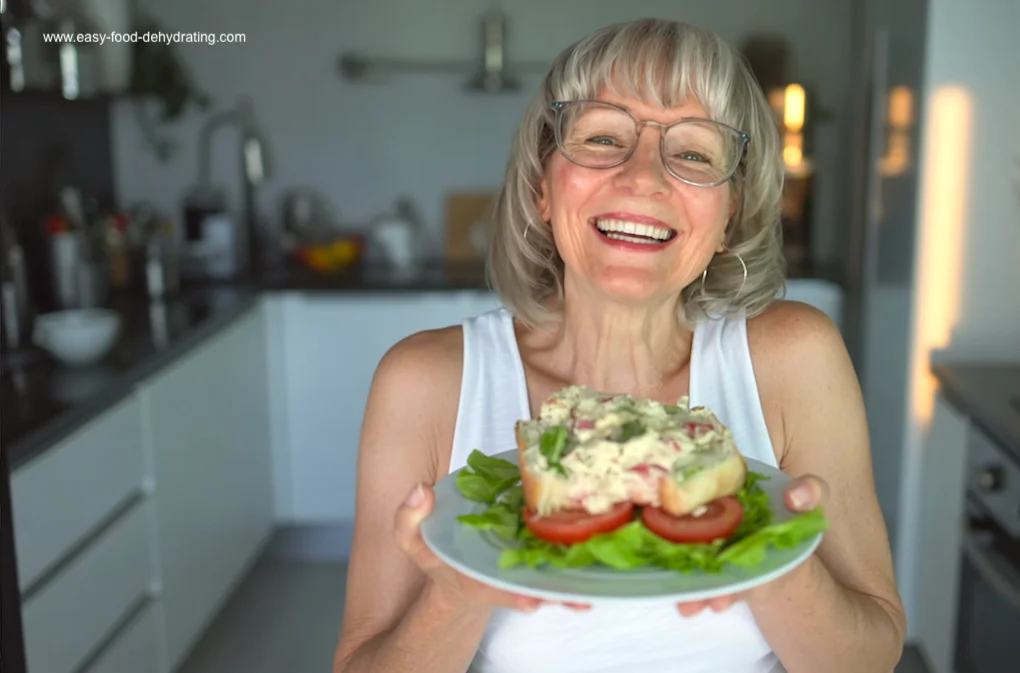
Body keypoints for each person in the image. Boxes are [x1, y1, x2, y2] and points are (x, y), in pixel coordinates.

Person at [332, 17, 904, 673]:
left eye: (692, 153)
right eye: (603, 138)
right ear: (542, 187)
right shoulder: (425, 382)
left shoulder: (795, 357)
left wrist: (776, 566)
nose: (643, 178)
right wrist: (458, 592)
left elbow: (872, 654)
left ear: (729, 215)